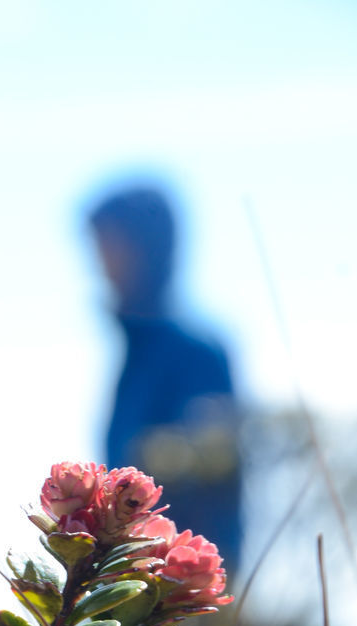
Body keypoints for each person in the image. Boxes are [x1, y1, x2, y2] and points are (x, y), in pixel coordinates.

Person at [87, 185, 243, 572]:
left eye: (110, 245)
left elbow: (214, 468)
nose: (100, 262)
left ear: (147, 248)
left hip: (178, 585)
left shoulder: (194, 349)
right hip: (128, 574)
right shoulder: (136, 347)